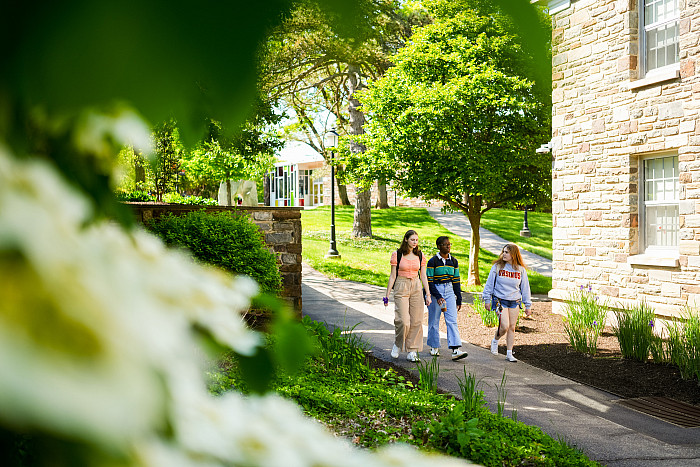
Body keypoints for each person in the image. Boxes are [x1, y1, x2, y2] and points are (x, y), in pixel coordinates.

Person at [384, 230, 431, 362]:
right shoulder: (397, 255)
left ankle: (412, 350)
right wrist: (387, 295)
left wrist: (427, 294)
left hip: (416, 286)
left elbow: (423, 276)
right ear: (406, 240)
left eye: (416, 240)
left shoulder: (420, 255)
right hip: (401, 285)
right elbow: (393, 276)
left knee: (416, 320)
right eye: (412, 240)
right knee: (403, 321)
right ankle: (398, 345)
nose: (415, 242)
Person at [482, 243, 532, 362]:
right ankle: (495, 340)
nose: (503, 254)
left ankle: (509, 353)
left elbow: (525, 288)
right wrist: (487, 299)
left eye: (506, 252)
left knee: (512, 327)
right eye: (503, 252)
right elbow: (489, 284)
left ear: (513, 254)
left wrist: (528, 305)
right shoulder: (497, 267)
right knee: (504, 326)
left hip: (514, 301)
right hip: (500, 300)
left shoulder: (520, 270)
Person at [426, 236, 468, 360]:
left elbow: (456, 281)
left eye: (449, 244)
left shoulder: (453, 261)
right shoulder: (432, 262)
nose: (448, 246)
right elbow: (429, 281)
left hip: (449, 290)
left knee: (451, 319)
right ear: (439, 246)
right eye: (445, 245)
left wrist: (459, 298)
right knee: (434, 320)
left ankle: (455, 349)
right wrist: (437, 296)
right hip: (436, 290)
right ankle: (434, 346)